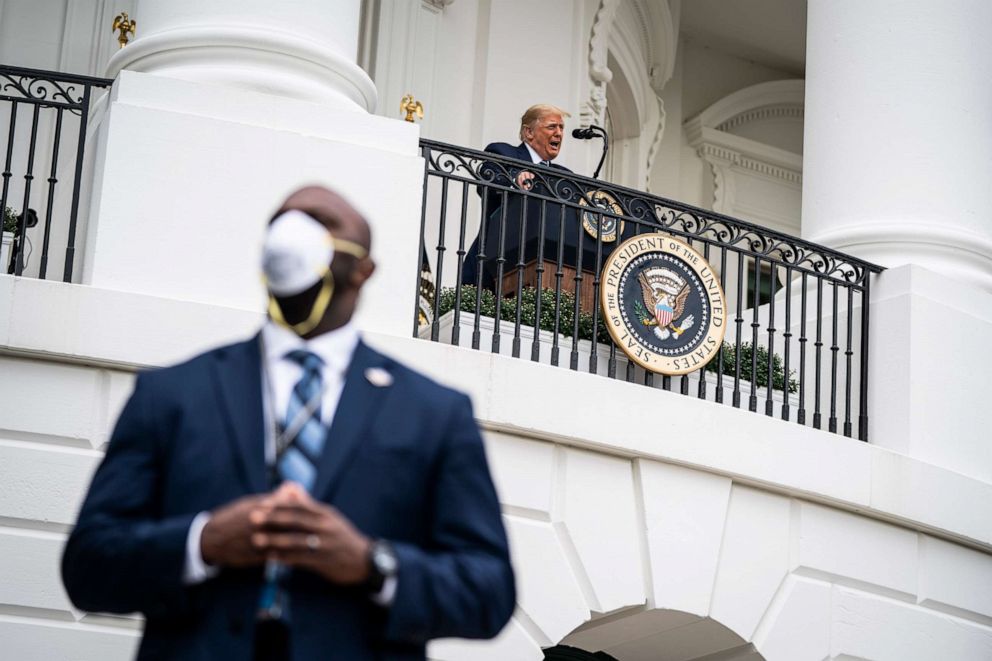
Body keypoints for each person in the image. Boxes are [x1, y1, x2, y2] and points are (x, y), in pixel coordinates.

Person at [61, 186, 516, 661]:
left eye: (321, 221)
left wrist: (371, 564)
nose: (294, 227)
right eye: (284, 218)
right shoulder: (171, 395)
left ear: (364, 270)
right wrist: (203, 541)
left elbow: (489, 590)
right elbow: (87, 567)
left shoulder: (435, 413)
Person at [461, 104, 574, 290]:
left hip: (545, 272)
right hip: (493, 264)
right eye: (552, 126)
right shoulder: (503, 152)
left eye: (562, 128)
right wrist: (514, 181)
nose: (559, 133)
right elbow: (487, 179)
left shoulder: (565, 176)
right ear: (529, 132)